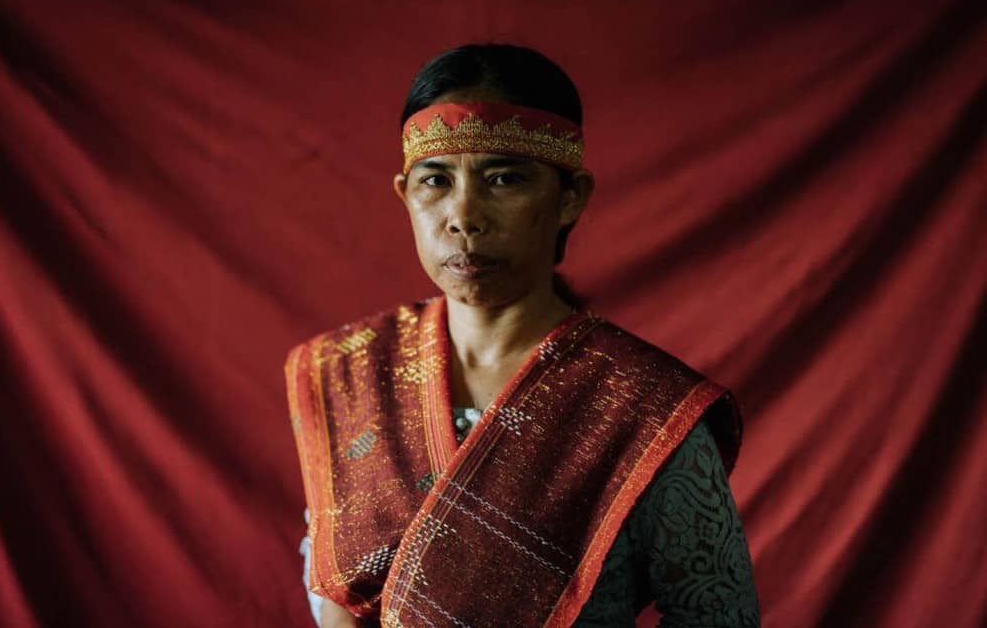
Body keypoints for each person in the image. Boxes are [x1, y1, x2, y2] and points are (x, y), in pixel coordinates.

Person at [284, 43, 760, 627]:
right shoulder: (352, 372)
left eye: (504, 178)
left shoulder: (642, 408)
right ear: (406, 195)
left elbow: (718, 617)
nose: (464, 215)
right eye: (436, 180)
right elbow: (340, 598)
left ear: (569, 198)